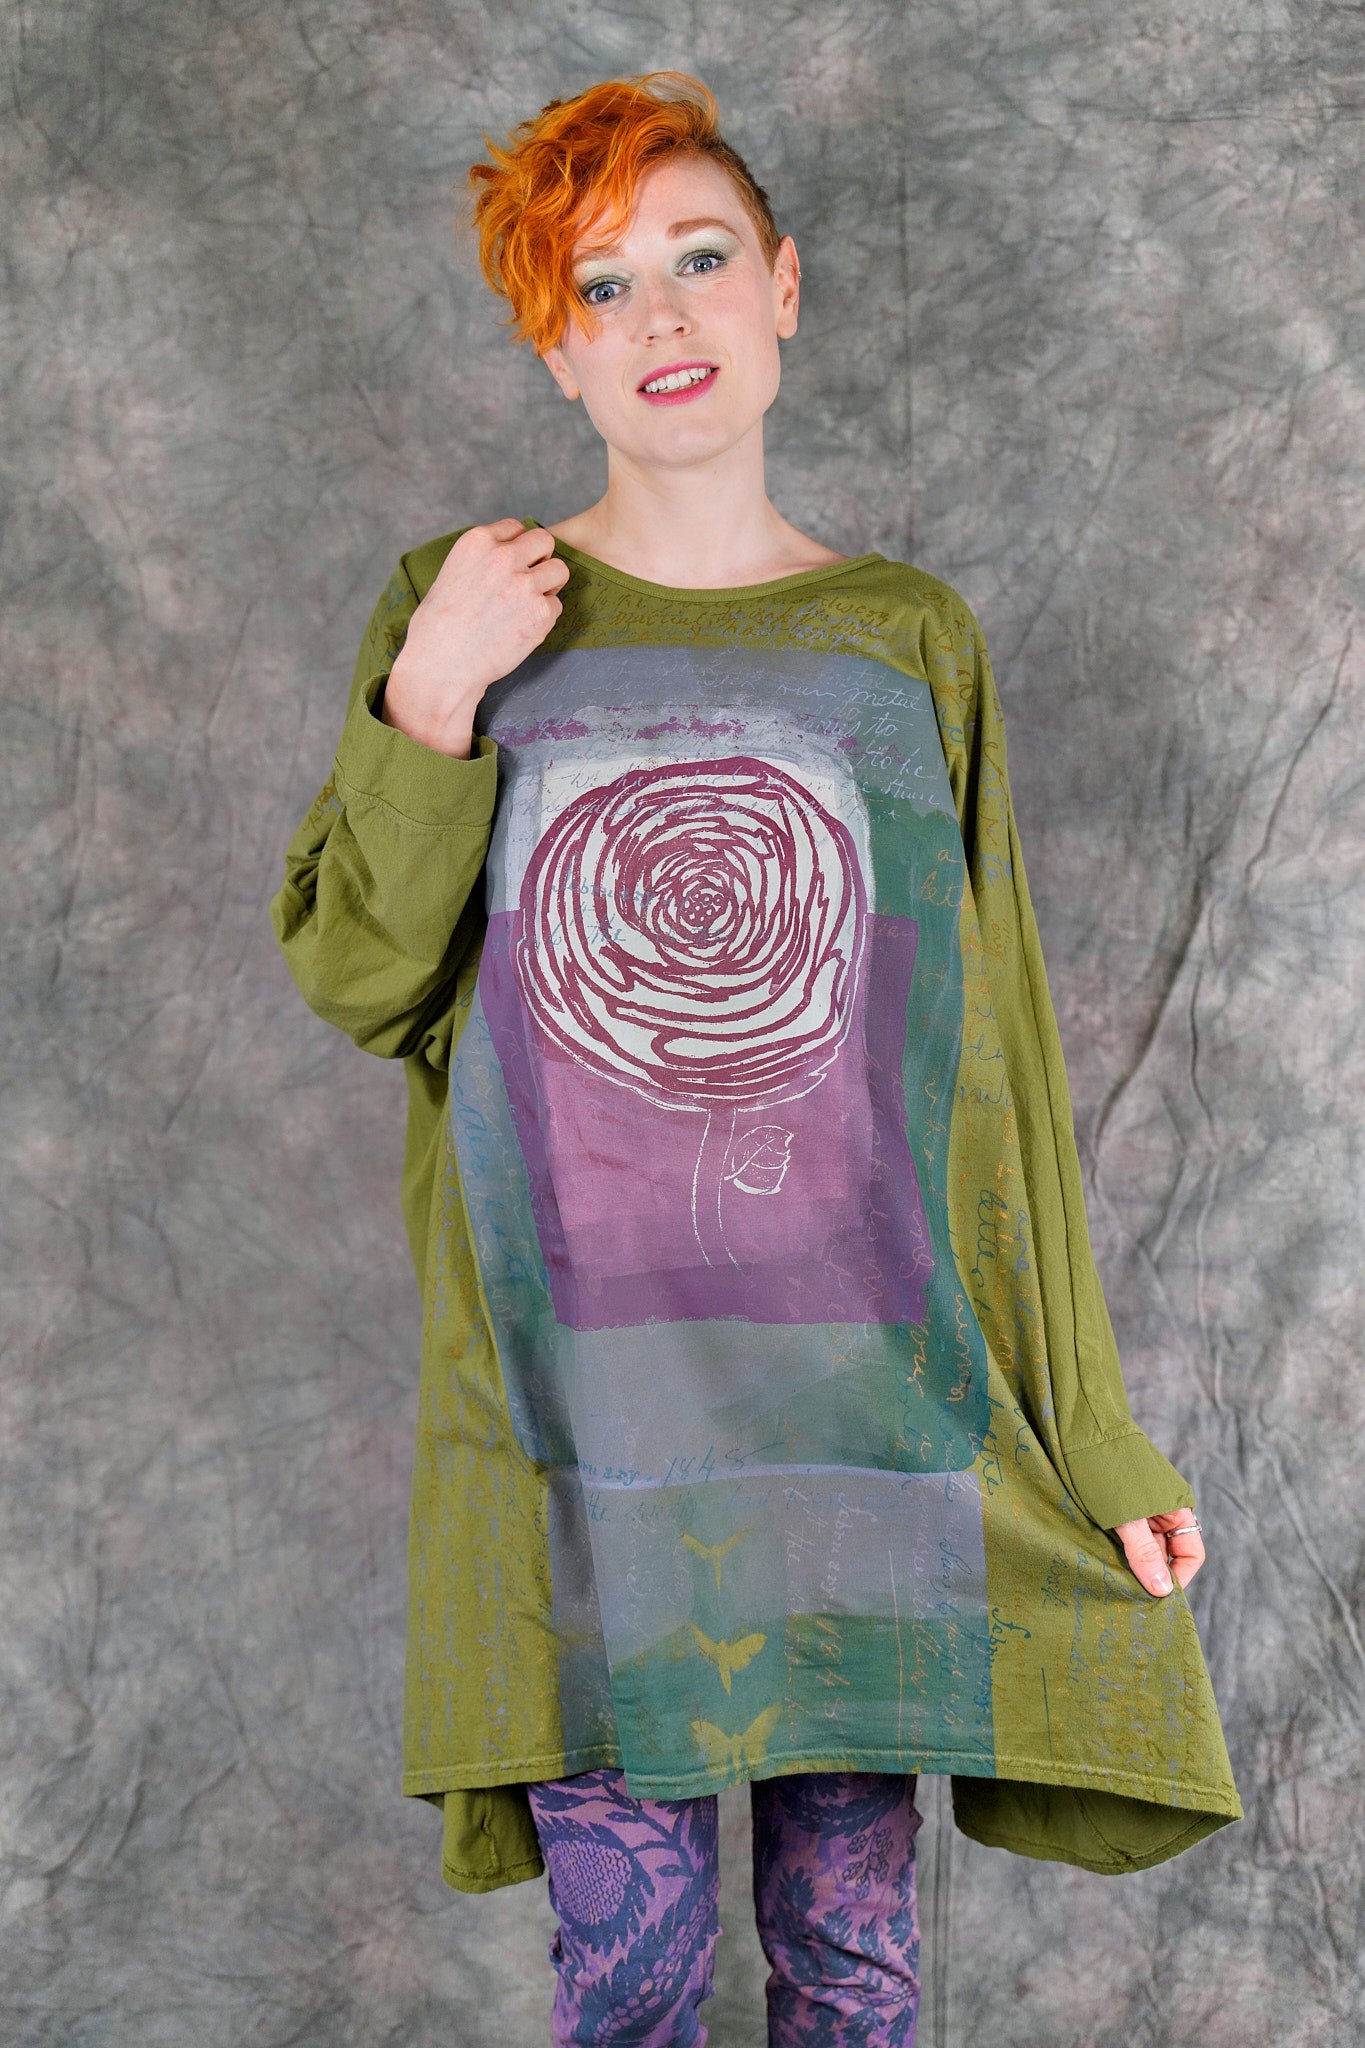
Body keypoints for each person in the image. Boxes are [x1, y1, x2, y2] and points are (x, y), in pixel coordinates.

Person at [270, 70, 1241, 2047]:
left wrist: (1093, 1435)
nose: (661, 314)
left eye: (698, 258)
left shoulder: (902, 641)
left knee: (851, 1968)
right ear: (555, 347)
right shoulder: (469, 612)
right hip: (578, 1431)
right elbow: (363, 976)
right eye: (599, 284)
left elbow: (998, 1084)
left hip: (855, 1424)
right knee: (623, 1977)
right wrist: (432, 695)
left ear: (782, 287)